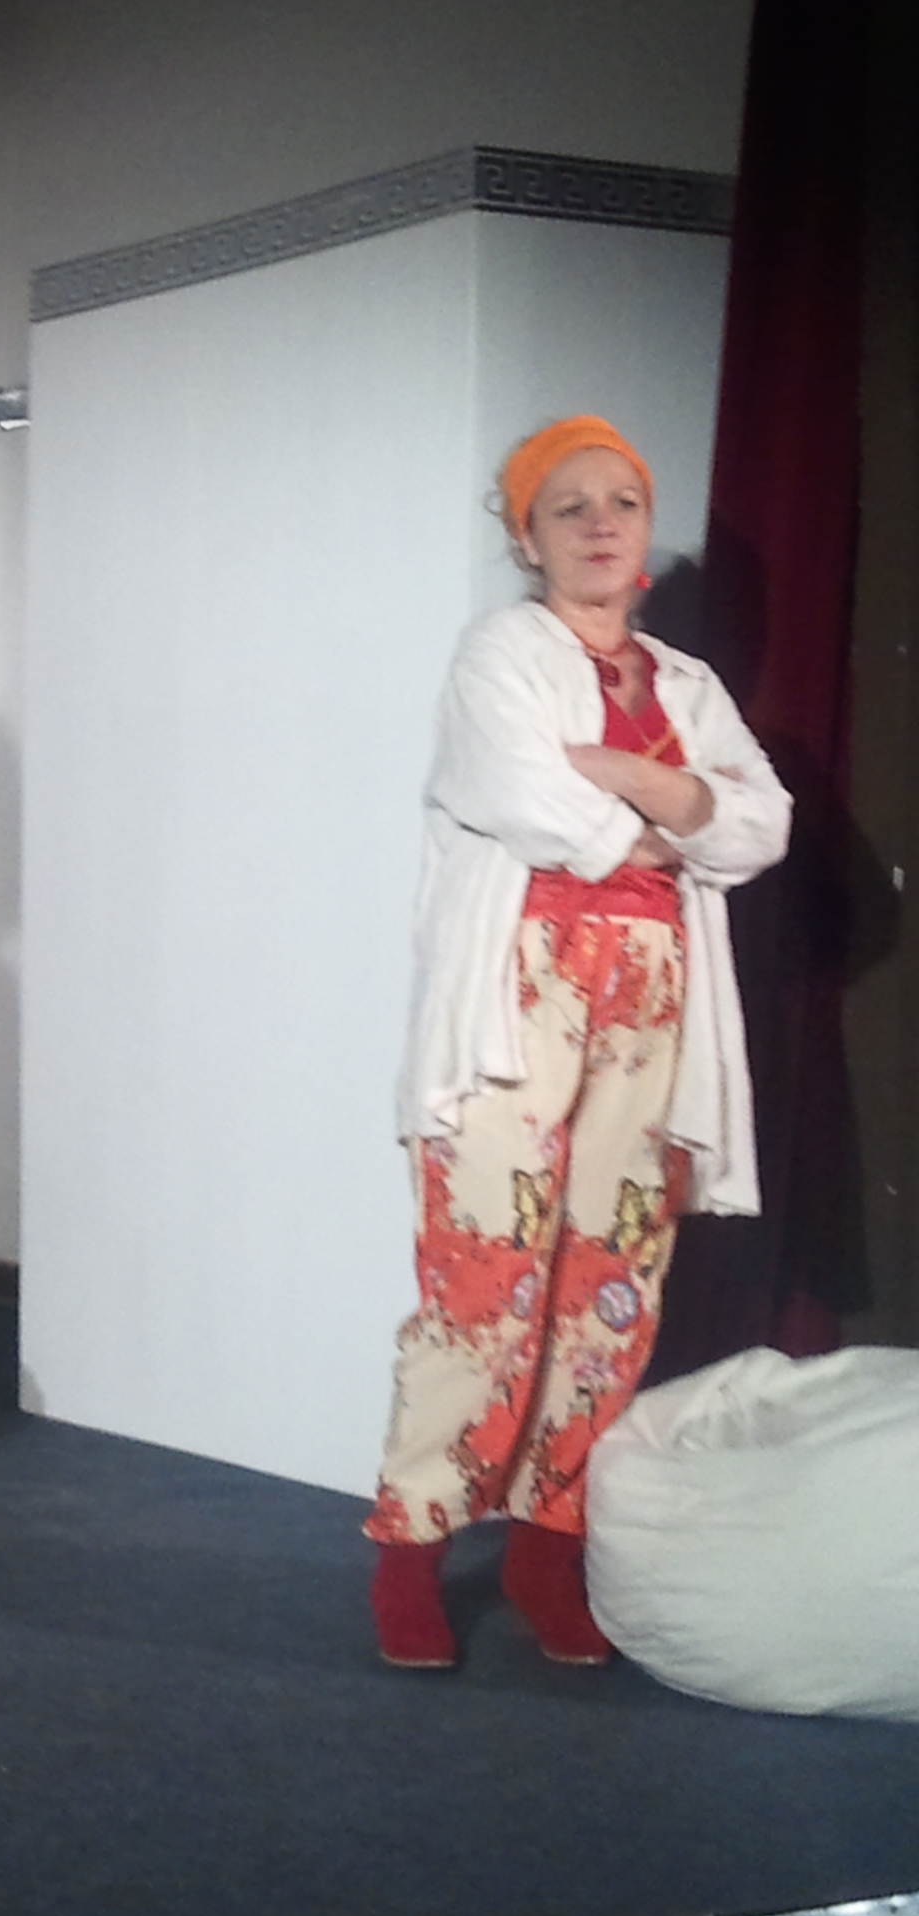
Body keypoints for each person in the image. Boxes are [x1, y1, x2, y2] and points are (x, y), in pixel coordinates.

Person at [367, 417, 791, 1669]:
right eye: (569, 507)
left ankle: (548, 1551)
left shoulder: (686, 684)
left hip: (653, 1004)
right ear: (527, 537)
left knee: (609, 1283)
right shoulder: (501, 651)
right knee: (482, 1279)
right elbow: (523, 797)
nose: (601, 525)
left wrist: (639, 777)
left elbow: (759, 828)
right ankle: (410, 1550)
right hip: (519, 996)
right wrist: (680, 821)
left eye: (622, 503)